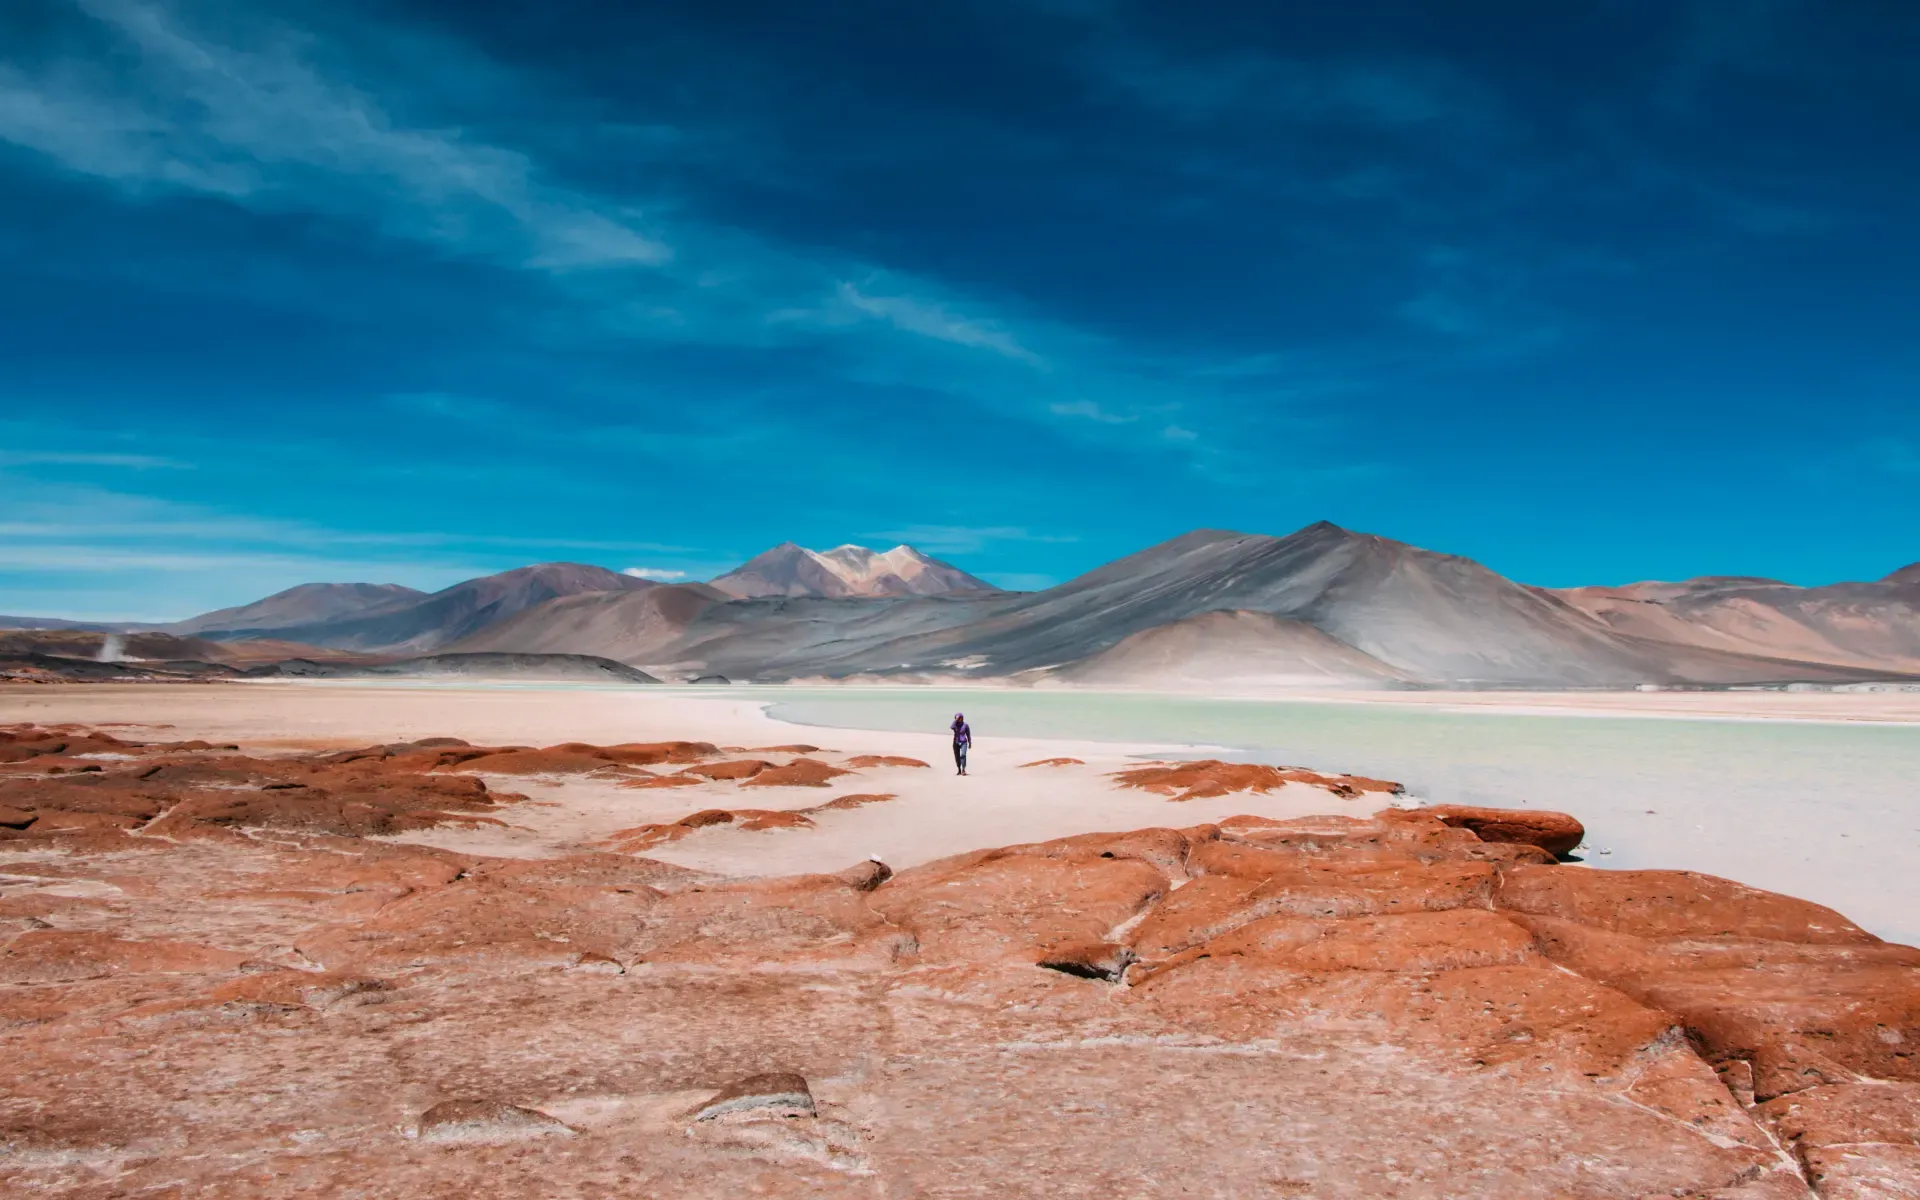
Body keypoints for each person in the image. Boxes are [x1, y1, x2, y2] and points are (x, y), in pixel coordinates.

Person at [950, 712, 971, 776]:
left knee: (963, 755)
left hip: (963, 742)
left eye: (961, 717)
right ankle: (959, 769)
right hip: (955, 742)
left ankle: (963, 769)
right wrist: (956, 720)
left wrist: (969, 742)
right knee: (957, 757)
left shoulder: (965, 725)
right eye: (959, 718)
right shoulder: (955, 725)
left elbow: (968, 734)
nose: (961, 719)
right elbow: (951, 727)